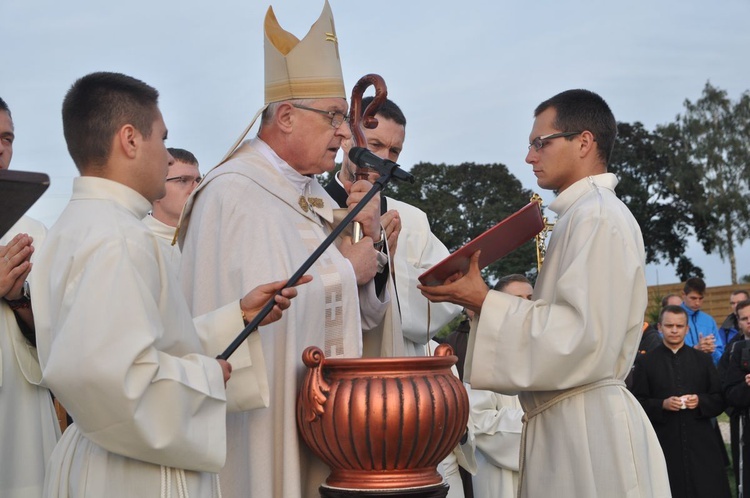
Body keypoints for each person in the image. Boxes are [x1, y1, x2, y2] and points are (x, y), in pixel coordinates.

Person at [30, 71, 306, 498]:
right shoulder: (119, 238)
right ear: (130, 140)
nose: (164, 154)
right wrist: (208, 375)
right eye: (161, 138)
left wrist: (239, 317)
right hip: (135, 473)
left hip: (101, 457)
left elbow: (132, 346)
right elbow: (115, 381)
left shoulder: (78, 225)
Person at [178, 3, 398, 496]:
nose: (345, 134)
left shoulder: (317, 194)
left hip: (320, 418)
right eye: (335, 117)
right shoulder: (231, 193)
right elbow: (245, 316)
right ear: (285, 116)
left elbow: (358, 320)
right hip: (263, 421)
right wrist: (347, 270)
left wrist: (371, 245)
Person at [418, 89, 670, 497]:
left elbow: (581, 338)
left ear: (584, 142)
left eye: (540, 142)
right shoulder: (580, 216)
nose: (530, 156)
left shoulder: (598, 217)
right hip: (567, 424)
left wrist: (484, 299)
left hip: (589, 433)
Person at [325, 96, 461, 355]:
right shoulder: (311, 211)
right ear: (346, 140)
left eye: (394, 151)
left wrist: (391, 266)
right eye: (375, 145)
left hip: (398, 366)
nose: (386, 160)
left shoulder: (412, 220)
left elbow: (446, 303)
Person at [0, 96, 61, 498]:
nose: (0, 147)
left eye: (7, 137)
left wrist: (18, 298)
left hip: (20, 407)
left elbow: (62, 333)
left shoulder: (33, 232)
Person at [631, 305, 731, 497]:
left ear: (687, 328)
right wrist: (662, 404)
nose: (674, 330)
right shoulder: (646, 362)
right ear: (660, 327)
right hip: (665, 441)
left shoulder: (703, 360)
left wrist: (700, 401)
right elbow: (637, 403)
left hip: (701, 441)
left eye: (679, 325)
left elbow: (719, 398)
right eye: (669, 326)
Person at [467, 274, 529, 498]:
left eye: (530, 298)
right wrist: (539, 423)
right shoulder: (484, 353)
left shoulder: (548, 354)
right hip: (500, 478)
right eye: (517, 298)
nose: (526, 304)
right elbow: (479, 422)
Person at [142, 147, 201, 274]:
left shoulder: (208, 242)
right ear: (155, 189)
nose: (196, 189)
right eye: (183, 180)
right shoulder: (137, 243)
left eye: (198, 181)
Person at [722, 299, 750, 496]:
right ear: (738, 322)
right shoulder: (736, 349)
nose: (749, 321)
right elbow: (730, 393)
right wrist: (746, 385)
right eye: (745, 318)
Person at [681, 276, 723, 364]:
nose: (697, 303)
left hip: (706, 373)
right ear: (683, 295)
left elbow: (721, 355)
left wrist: (712, 351)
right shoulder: (672, 317)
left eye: (701, 298)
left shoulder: (709, 320)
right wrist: (695, 349)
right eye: (693, 298)